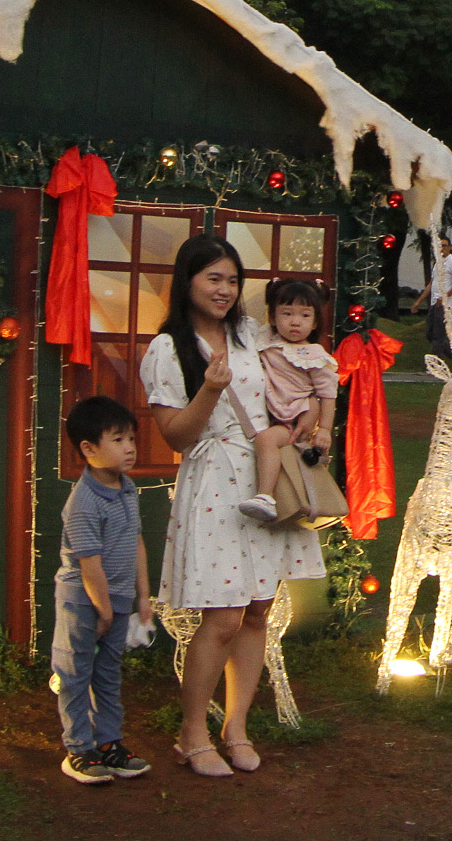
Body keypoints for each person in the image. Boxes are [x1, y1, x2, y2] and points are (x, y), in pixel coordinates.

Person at [142, 235, 325, 777]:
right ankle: (191, 733)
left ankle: (237, 726)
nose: (224, 290)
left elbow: (296, 377)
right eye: (212, 278)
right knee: (221, 615)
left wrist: (313, 418)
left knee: (258, 610)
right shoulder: (167, 349)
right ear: (188, 282)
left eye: (231, 280)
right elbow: (175, 437)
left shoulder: (251, 334)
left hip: (267, 473)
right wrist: (208, 391)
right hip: (216, 482)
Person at [53, 395, 154, 786]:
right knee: (75, 673)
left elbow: (136, 542)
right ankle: (78, 749)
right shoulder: (83, 502)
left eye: (130, 438)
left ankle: (110, 744)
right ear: (89, 449)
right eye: (118, 440)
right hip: (84, 602)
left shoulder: (128, 489)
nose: (129, 448)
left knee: (108, 674)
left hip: (119, 599)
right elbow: (88, 564)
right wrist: (106, 612)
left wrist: (142, 596)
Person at [238, 279, 338, 523]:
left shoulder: (314, 355)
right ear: (272, 317)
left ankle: (266, 496)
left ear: (314, 322)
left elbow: (328, 393)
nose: (295, 322)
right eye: (286, 313)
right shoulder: (266, 339)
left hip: (293, 422)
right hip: (272, 413)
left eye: (304, 315)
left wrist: (324, 428)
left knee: (266, 439)